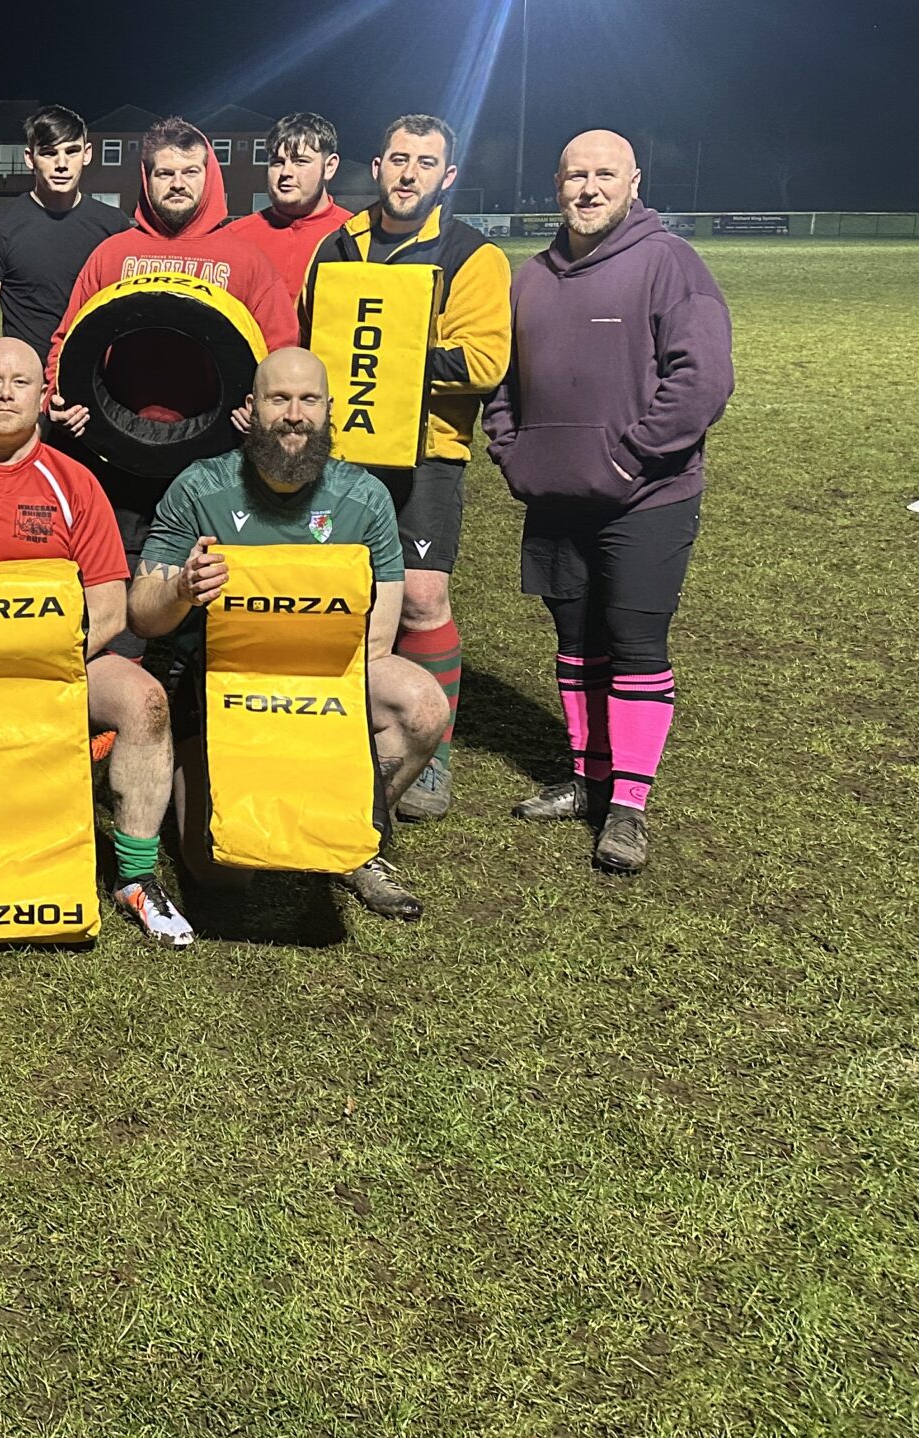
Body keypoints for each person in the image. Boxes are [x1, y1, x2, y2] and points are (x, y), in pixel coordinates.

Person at [485, 129, 733, 875]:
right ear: (556, 186)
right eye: (575, 176)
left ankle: (628, 805)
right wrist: (513, 452)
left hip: (646, 496)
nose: (588, 189)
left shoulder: (669, 263)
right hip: (556, 497)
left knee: (634, 643)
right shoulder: (529, 278)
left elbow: (702, 379)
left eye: (604, 175)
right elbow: (502, 383)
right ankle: (587, 779)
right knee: (575, 641)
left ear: (634, 183)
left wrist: (629, 458)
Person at [127, 348, 449, 922]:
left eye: (308, 400)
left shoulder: (365, 498)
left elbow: (376, 644)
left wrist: (302, 720)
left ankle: (352, 835)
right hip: (215, 684)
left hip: (323, 682)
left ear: (329, 409)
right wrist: (180, 589)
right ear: (252, 408)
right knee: (222, 872)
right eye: (279, 399)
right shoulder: (200, 487)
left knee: (422, 705)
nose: (294, 415)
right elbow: (140, 616)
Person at [0, 339, 189, 946]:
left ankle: (135, 878)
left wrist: (43, 666)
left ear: (43, 396)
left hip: (58, 667)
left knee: (147, 703)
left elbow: (110, 608)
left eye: (21, 382)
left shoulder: (74, 482)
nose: (5, 394)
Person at [304, 112, 511, 823]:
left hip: (427, 452)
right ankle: (343, 727)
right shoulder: (338, 245)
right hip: (342, 450)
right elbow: (312, 333)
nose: (408, 173)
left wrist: (389, 345)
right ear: (377, 166)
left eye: (425, 163)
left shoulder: (472, 254)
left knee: (421, 598)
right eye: (398, 159)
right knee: (340, 590)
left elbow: (485, 361)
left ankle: (432, 754)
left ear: (446, 177)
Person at [44, 116, 301, 406]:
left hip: (221, 428)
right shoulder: (111, 254)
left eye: (190, 172)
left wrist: (263, 412)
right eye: (165, 174)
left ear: (209, 176)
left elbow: (281, 351)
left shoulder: (247, 260)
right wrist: (58, 398)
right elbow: (68, 341)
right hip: (119, 424)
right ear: (147, 178)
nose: (178, 184)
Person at [0, 103, 131, 368]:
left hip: (94, 375)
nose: (62, 164)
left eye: (72, 151)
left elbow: (125, 309)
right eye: (49, 153)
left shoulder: (114, 225)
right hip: (29, 377)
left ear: (87, 154)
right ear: (29, 158)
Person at [218, 110, 354, 307]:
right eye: (277, 162)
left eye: (300, 162)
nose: (286, 172)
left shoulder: (355, 236)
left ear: (330, 167)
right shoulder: (234, 237)